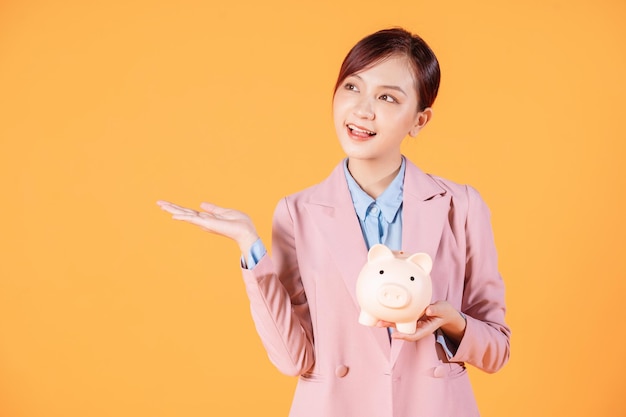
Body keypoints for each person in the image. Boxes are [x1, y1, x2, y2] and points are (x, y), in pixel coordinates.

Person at [157, 27, 510, 417]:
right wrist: (250, 248)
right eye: (352, 87)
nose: (362, 109)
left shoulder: (460, 206)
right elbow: (294, 359)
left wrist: (454, 323)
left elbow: (497, 349)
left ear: (419, 121)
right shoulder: (296, 213)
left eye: (387, 97)